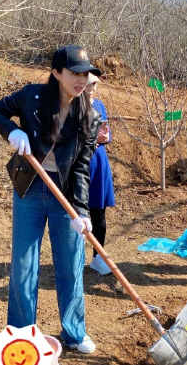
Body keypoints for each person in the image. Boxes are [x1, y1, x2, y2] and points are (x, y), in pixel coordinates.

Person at [0, 44, 102, 353]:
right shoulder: (32, 97)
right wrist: (12, 131)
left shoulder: (90, 115)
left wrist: (81, 210)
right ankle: (21, 334)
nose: (81, 79)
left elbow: (81, 167)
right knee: (24, 265)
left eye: (85, 73)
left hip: (65, 194)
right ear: (57, 73)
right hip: (30, 190)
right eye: (74, 73)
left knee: (71, 265)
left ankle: (74, 334)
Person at [84, 73, 116, 276]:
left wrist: (104, 138)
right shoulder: (71, 105)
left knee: (98, 213)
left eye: (94, 84)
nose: (92, 88)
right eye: (89, 84)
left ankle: (98, 257)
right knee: (75, 214)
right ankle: (73, 257)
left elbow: (107, 134)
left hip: (98, 162)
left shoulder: (100, 105)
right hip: (79, 162)